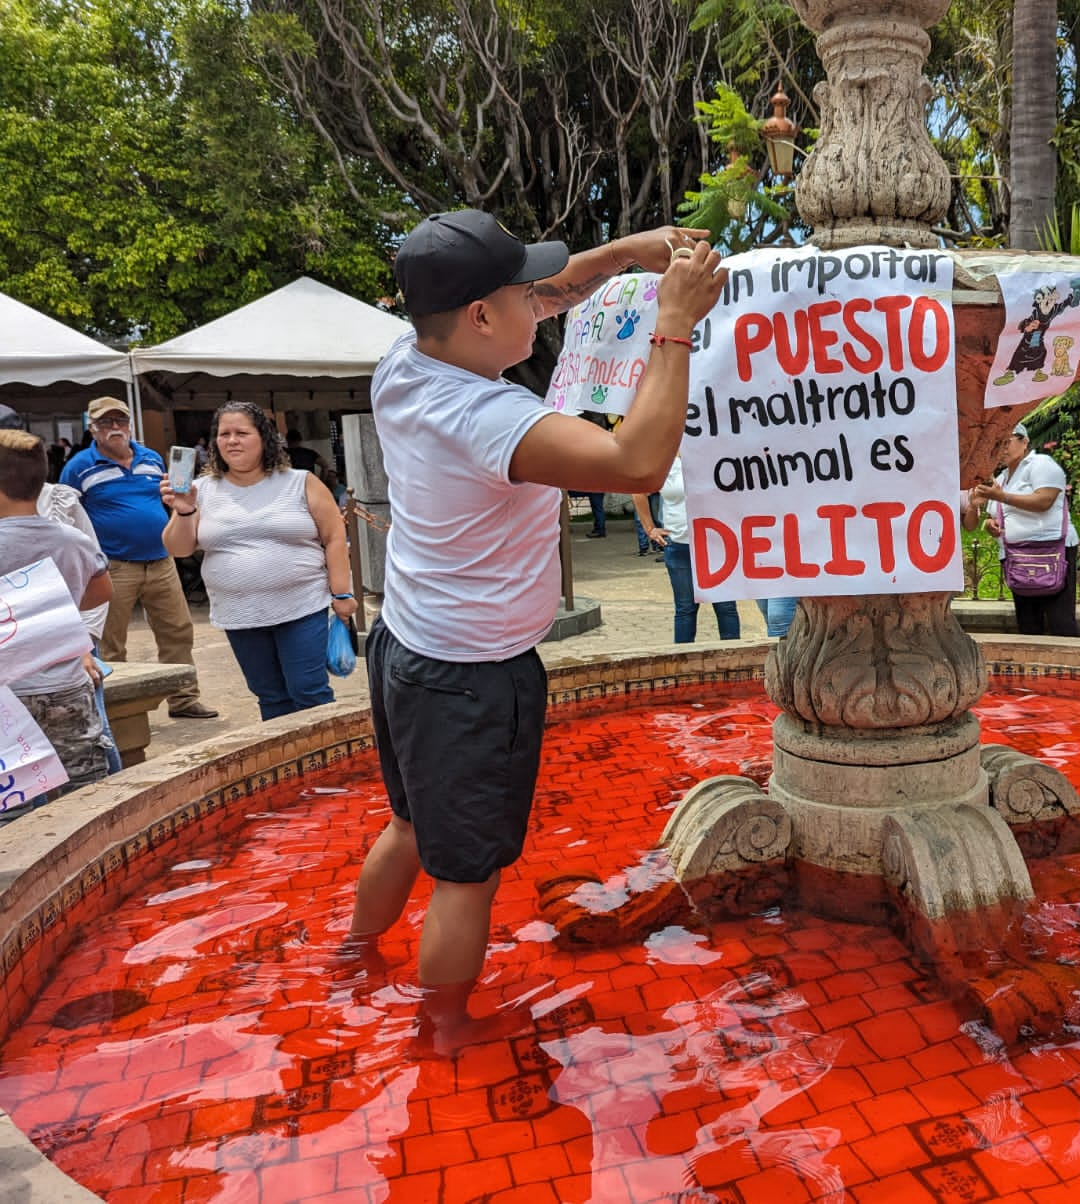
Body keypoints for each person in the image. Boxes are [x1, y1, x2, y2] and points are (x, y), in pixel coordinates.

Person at [346, 209, 724, 1046]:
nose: (542, 301)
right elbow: (636, 463)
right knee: (465, 877)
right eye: (522, 294)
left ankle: (352, 954)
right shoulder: (486, 418)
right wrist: (673, 323)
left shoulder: (403, 361)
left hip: (406, 646)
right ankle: (444, 1028)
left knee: (409, 826)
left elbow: (555, 288)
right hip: (472, 676)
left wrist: (626, 253)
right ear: (482, 315)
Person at [160, 402, 357, 720]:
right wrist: (184, 509)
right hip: (240, 614)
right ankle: (287, 767)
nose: (231, 440)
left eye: (241, 433)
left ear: (264, 438)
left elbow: (334, 537)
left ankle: (326, 766)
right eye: (224, 434)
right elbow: (179, 549)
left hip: (302, 606)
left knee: (308, 690)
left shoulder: (300, 481)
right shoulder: (200, 490)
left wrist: (342, 594)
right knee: (270, 696)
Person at [58, 397, 217, 718]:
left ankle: (184, 699)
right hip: (112, 566)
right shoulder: (78, 466)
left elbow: (166, 499)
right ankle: (120, 710)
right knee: (111, 641)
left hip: (161, 560)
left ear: (129, 425)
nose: (114, 428)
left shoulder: (153, 459)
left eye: (120, 421)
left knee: (177, 631)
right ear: (92, 428)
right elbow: (64, 513)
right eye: (105, 423)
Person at [0, 406, 121, 772]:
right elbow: (101, 592)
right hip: (67, 683)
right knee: (83, 784)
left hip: (8, 691)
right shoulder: (71, 540)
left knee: (12, 795)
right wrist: (61, 605)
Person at [964, 422, 1079, 636]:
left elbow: (1044, 500)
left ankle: (1068, 668)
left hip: (1051, 550)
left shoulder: (1041, 464)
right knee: (1027, 623)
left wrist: (1002, 497)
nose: (1003, 449)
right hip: (1017, 555)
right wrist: (990, 525)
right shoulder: (1000, 479)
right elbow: (993, 518)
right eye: (997, 445)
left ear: (1024, 441)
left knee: (1060, 621)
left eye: (1007, 442)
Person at [634, 456, 741, 643]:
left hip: (715, 544)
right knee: (685, 609)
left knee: (725, 606)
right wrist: (649, 528)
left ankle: (735, 664)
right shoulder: (665, 462)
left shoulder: (714, 456)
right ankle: (682, 661)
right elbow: (638, 491)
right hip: (678, 544)